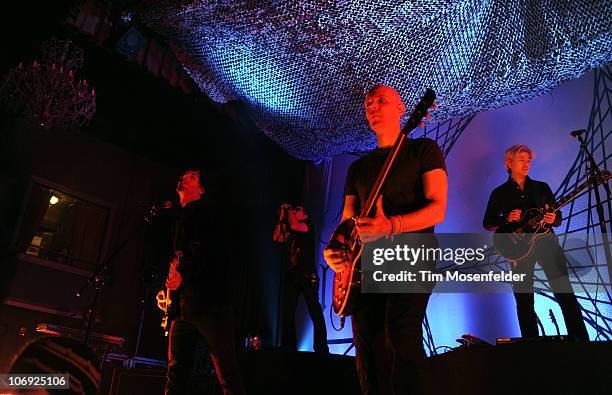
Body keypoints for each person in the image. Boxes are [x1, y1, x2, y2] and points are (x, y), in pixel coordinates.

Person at [324, 85, 447, 394]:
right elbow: (346, 222)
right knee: (367, 346)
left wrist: (391, 225)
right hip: (366, 266)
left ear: (402, 108)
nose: (373, 107)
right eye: (368, 103)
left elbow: (438, 209)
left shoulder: (423, 150)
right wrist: (333, 252)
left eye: (381, 101)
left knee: (400, 336)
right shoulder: (358, 168)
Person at [483, 144, 588, 341]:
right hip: (518, 250)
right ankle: (532, 347)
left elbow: (557, 217)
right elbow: (487, 222)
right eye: (521, 160)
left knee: (564, 292)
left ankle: (581, 341)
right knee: (524, 299)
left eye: (528, 160)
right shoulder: (499, 193)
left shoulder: (542, 187)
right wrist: (506, 220)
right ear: (509, 163)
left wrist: (552, 219)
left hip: (547, 243)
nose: (526, 164)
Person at [156, 169, 245, 395]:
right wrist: (166, 288)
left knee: (227, 372)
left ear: (202, 189)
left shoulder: (209, 214)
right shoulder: (178, 218)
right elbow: (178, 258)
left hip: (210, 304)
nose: (184, 177)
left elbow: (213, 254)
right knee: (175, 373)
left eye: (193, 176)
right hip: (181, 306)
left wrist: (183, 274)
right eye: (184, 175)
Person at [276, 203, 328, 353]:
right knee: (288, 311)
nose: (294, 212)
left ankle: (321, 347)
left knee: (314, 310)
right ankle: (288, 346)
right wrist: (281, 216)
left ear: (304, 214)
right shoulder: (293, 232)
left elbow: (293, 224)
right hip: (293, 275)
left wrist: (289, 208)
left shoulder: (307, 226)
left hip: (307, 275)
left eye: (297, 210)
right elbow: (277, 237)